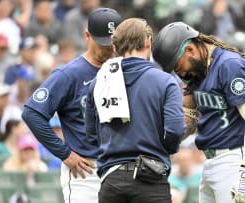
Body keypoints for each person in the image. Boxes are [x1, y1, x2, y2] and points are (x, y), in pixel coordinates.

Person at [152, 21, 245, 203]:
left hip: (236, 158)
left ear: (190, 50)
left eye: (177, 65)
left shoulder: (230, 64)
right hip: (211, 162)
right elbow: (187, 119)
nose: (178, 72)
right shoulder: (198, 71)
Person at [21, 8, 122, 203]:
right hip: (86, 172)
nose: (109, 48)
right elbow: (32, 113)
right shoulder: (69, 74)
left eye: (113, 43)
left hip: (119, 168)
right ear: (87, 36)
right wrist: (64, 153)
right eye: (103, 43)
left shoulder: (123, 69)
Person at [84, 17, 185, 203]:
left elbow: (91, 135)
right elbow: (175, 130)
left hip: (112, 181)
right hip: (151, 179)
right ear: (148, 42)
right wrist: (165, 149)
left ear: (115, 47)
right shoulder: (165, 81)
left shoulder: (99, 82)